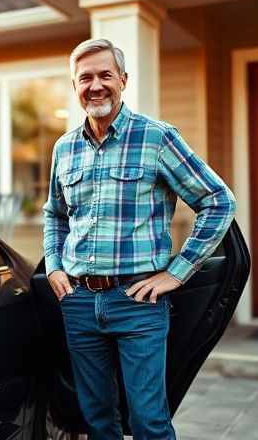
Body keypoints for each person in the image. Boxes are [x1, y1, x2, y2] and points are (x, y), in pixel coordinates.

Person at [42, 38, 236, 439]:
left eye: (105, 75)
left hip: (137, 302)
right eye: (85, 78)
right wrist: (54, 264)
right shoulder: (64, 149)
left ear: (123, 80)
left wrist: (178, 273)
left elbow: (217, 201)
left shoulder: (157, 137)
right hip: (79, 302)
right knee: (95, 420)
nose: (95, 85)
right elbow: (55, 214)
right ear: (75, 87)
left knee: (148, 421)